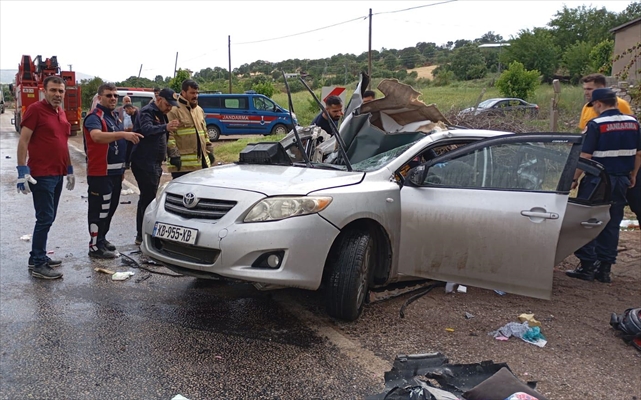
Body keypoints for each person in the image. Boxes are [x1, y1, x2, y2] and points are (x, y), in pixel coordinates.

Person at [566, 88, 641, 283]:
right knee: (612, 222)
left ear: (598, 104)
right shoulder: (633, 123)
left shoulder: (596, 124)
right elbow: (639, 153)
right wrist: (633, 175)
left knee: (585, 221)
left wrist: (573, 178)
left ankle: (587, 265)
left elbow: (585, 156)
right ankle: (604, 269)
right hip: (621, 179)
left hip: (597, 180)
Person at [16, 76, 75, 280]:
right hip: (41, 174)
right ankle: (39, 263)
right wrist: (22, 170)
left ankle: (37, 257)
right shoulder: (35, 110)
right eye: (53, 90)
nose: (57, 94)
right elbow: (23, 141)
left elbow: (63, 142)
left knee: (49, 217)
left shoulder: (61, 112)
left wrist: (69, 169)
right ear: (44, 90)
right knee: (44, 218)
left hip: (58, 173)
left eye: (61, 91)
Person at [83, 83, 144, 258]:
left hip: (116, 173)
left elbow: (118, 146)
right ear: (99, 97)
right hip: (100, 173)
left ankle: (102, 238)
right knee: (99, 210)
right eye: (109, 95)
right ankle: (94, 246)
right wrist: (123, 134)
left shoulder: (114, 117)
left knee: (110, 209)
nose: (112, 98)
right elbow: (96, 136)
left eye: (115, 96)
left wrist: (123, 168)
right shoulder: (95, 117)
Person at [579, 74, 640, 227]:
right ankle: (607, 250)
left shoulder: (621, 106)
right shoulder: (587, 109)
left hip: (604, 175)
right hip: (620, 173)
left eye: (590, 89)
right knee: (612, 215)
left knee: (591, 216)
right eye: (585, 89)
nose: (586, 92)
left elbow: (586, 153)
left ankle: (591, 251)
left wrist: (573, 177)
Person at [131, 88, 180, 245]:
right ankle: (143, 236)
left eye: (171, 105)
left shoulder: (162, 113)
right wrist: (165, 127)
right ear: (159, 99)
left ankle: (143, 234)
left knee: (149, 198)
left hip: (155, 162)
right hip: (144, 162)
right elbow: (146, 129)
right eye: (167, 104)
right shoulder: (147, 112)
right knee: (148, 200)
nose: (169, 108)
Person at [166, 79, 215, 179]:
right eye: (192, 93)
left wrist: (209, 151)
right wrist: (174, 155)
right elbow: (169, 135)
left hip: (202, 163)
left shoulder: (199, 110)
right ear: (183, 92)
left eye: (197, 93)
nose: (195, 96)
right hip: (182, 166)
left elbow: (204, 132)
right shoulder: (174, 110)